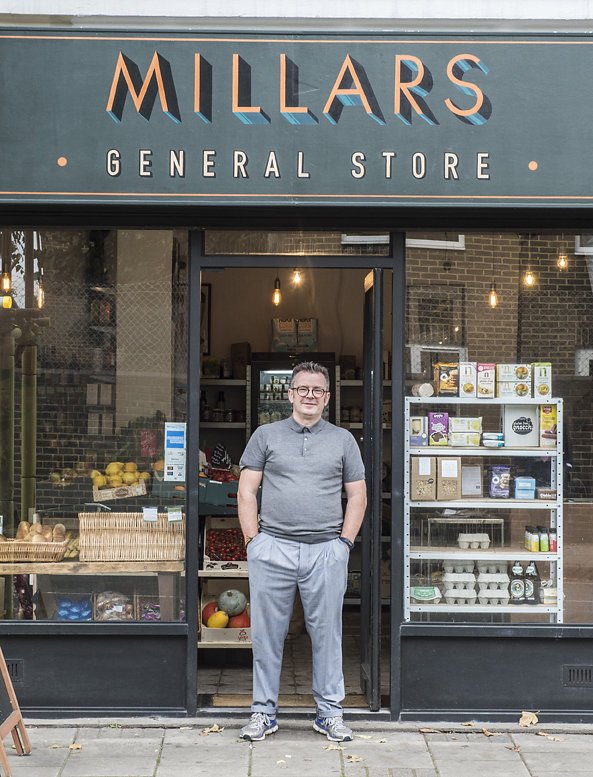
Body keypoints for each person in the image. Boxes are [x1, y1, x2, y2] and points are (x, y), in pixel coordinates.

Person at [237, 361, 367, 743]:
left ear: (327, 398)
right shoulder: (266, 435)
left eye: (318, 391)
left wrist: (344, 543)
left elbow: (357, 495)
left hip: (326, 549)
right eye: (303, 389)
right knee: (267, 634)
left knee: (327, 634)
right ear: (290, 394)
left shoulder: (343, 440)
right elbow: (246, 492)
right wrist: (253, 542)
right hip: (272, 547)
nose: (310, 396)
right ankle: (263, 713)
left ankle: (329, 714)